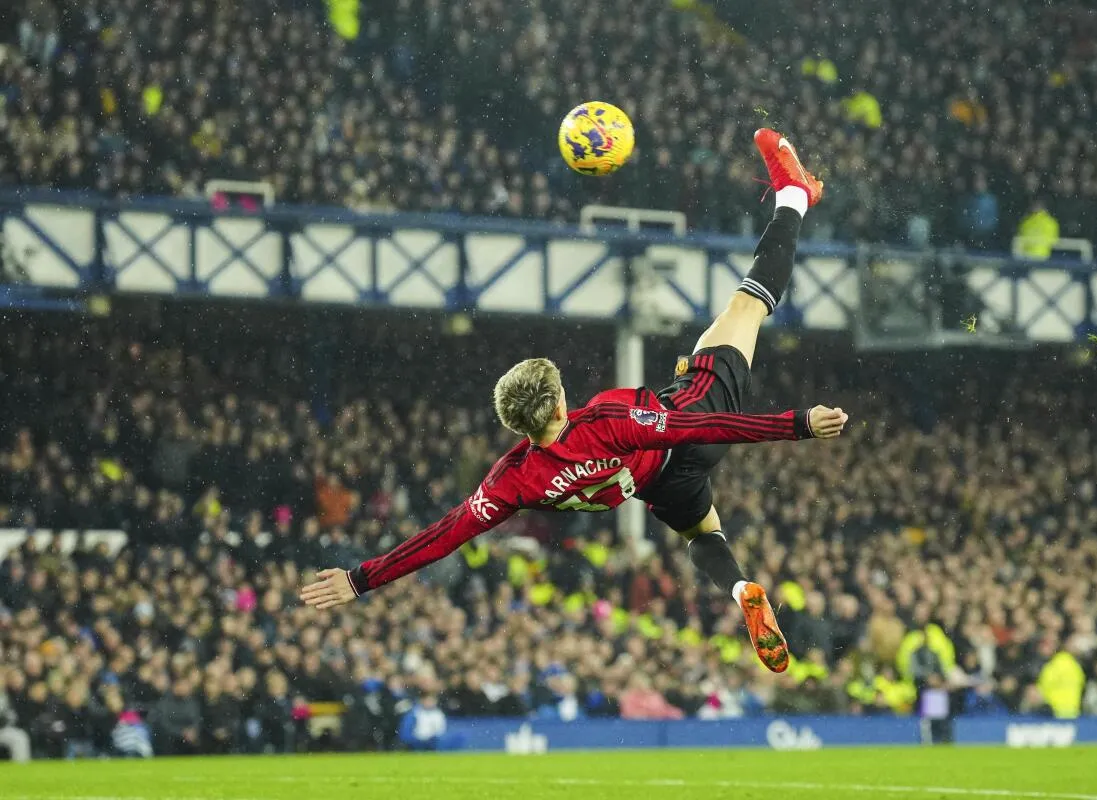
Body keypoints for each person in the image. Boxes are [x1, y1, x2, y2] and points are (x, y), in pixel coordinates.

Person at [301, 128, 847, 673]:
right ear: (561, 405)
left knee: (703, 533)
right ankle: (793, 196)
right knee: (747, 306)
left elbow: (442, 536)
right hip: (687, 426)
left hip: (659, 488)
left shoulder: (513, 480)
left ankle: (740, 588)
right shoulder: (605, 420)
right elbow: (696, 429)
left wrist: (361, 579)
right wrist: (797, 423)